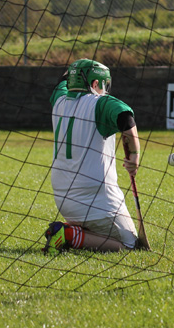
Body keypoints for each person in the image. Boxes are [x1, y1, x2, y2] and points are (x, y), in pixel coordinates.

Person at [43, 58, 140, 255]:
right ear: (95, 84)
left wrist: (77, 69)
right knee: (130, 246)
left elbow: (60, 83)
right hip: (98, 200)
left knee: (102, 231)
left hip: (63, 199)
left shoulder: (59, 100)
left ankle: (67, 230)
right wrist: (135, 156)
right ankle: (69, 235)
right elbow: (126, 119)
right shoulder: (100, 103)